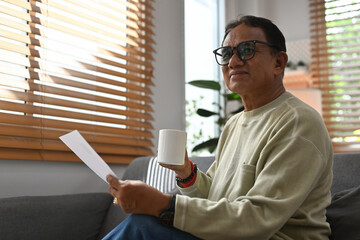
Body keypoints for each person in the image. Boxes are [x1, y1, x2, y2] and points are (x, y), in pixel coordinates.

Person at [104, 15, 333, 240]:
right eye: (226, 54)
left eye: (247, 50)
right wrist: (185, 171)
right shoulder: (235, 123)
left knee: (142, 226)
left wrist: (163, 204)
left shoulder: (299, 122)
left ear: (278, 63)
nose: (233, 62)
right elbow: (213, 196)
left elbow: (258, 219)